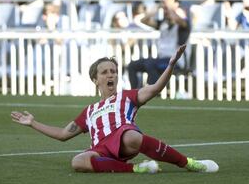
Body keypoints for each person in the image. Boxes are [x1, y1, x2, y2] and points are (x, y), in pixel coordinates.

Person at [11, 45, 219, 173]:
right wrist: (32, 123)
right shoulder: (90, 111)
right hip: (101, 148)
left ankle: (189, 163)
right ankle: (136, 169)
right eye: (105, 72)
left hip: (123, 137)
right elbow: (63, 134)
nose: (110, 75)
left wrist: (171, 66)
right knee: (78, 161)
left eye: (113, 71)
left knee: (131, 137)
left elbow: (155, 89)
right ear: (95, 79)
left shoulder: (127, 96)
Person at [128, 0, 190, 88]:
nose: (165, 9)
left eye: (167, 6)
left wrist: (170, 7)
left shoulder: (184, 24)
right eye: (165, 7)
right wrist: (156, 8)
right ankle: (135, 93)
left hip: (176, 61)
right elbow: (143, 20)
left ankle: (150, 93)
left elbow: (179, 20)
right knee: (132, 65)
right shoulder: (162, 23)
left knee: (150, 64)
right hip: (161, 59)